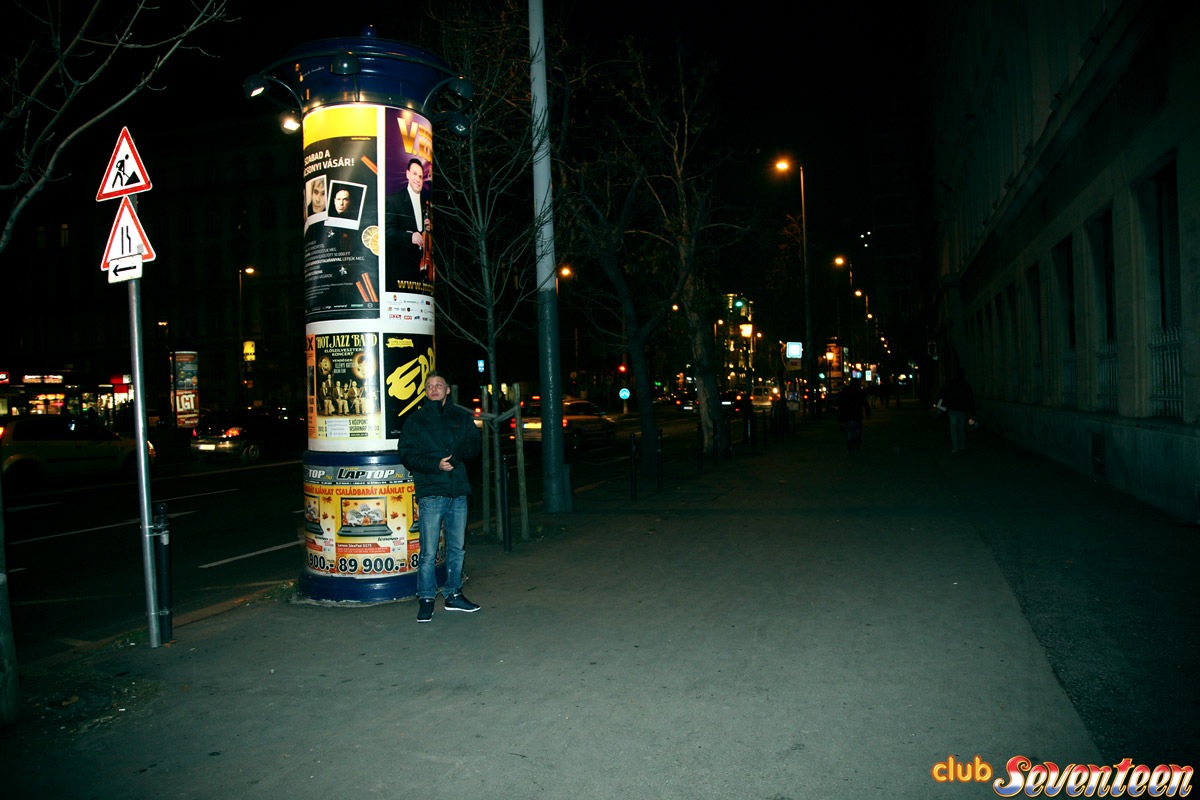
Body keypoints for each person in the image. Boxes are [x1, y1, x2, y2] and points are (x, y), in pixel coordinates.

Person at [396, 371, 482, 623]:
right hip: (432, 492)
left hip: (458, 491)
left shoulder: (461, 417)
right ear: (425, 392)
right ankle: (426, 598)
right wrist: (436, 465)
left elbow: (473, 444)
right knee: (428, 551)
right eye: (429, 386)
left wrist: (456, 458)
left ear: (447, 390)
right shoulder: (416, 420)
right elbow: (407, 454)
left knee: (457, 548)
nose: (434, 389)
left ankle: (454, 594)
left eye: (438, 385)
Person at [384, 158, 429, 283]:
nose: (418, 179)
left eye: (420, 176)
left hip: (424, 272)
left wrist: (428, 229)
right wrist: (410, 237)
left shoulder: (426, 204)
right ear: (407, 174)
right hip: (402, 272)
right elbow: (387, 232)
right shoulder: (393, 200)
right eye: (414, 174)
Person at [938, 367, 977, 453]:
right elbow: (970, 399)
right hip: (962, 410)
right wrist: (972, 411)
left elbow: (943, 393)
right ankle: (962, 445)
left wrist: (941, 405)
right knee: (961, 428)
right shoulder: (966, 385)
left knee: (953, 429)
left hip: (952, 409)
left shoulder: (951, 384)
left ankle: (955, 447)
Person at [836, 378, 870, 452]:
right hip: (857, 414)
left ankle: (850, 445)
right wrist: (868, 412)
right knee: (857, 430)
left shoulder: (845, 391)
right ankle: (856, 444)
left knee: (849, 431)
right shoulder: (859, 391)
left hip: (848, 414)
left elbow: (840, 401)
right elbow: (865, 402)